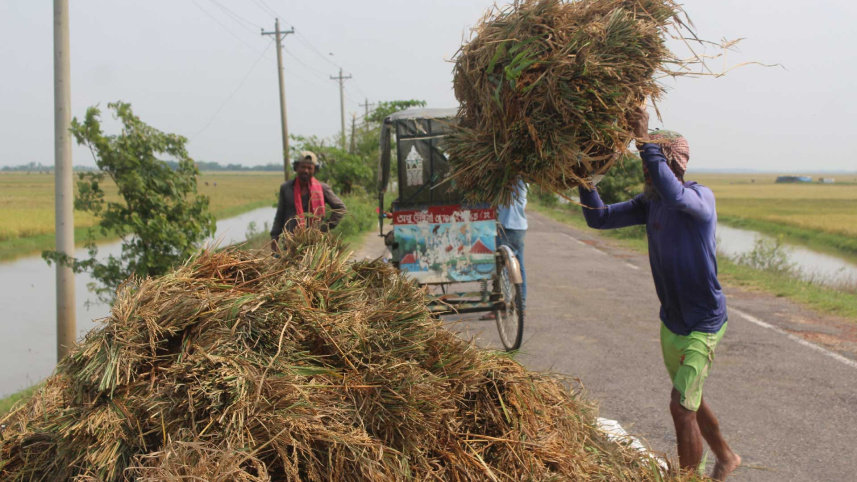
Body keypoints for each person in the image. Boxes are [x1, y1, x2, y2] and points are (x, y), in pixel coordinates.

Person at [577, 106, 740, 480]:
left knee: (681, 407)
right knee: (689, 401)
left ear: (673, 167)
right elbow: (598, 218)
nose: (645, 171)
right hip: (672, 323)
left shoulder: (699, 200)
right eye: (645, 165)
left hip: (704, 324)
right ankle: (726, 456)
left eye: (652, 164)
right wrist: (585, 180)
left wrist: (643, 139)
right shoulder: (649, 204)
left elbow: (676, 196)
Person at [270, 151, 346, 252]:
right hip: (291, 243)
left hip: (314, 243)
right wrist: (274, 237)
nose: (305, 170)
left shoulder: (322, 188)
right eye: (303, 167)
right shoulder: (286, 188)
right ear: (296, 167)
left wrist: (324, 227)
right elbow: (280, 214)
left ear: (314, 170)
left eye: (309, 168)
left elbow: (340, 208)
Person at [482, 179, 528, 319]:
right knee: (519, 267)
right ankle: (521, 306)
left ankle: (502, 306)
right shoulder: (523, 180)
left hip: (506, 226)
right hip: (520, 227)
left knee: (502, 268)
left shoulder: (508, 177)